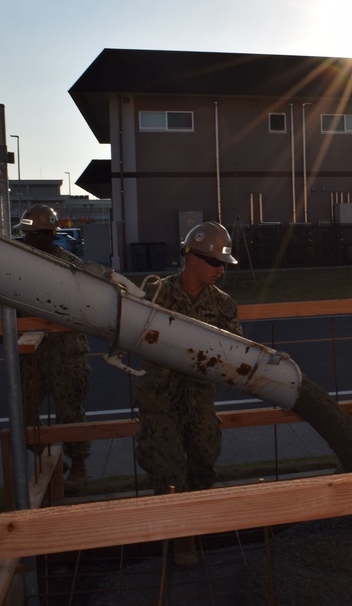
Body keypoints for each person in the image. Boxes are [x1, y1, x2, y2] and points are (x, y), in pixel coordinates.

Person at [134, 221, 241, 567]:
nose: (221, 270)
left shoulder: (224, 306)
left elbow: (234, 353)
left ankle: (193, 524)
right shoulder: (155, 295)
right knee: (165, 466)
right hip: (159, 398)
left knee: (204, 460)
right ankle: (180, 538)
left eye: (224, 264)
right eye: (215, 263)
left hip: (198, 399)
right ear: (191, 258)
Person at [13, 204, 91, 494]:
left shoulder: (70, 267)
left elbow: (85, 307)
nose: (28, 241)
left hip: (65, 353)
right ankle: (49, 455)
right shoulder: (17, 264)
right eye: (27, 236)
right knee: (21, 412)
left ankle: (79, 465)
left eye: (35, 235)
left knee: (70, 413)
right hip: (31, 352)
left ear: (49, 235)